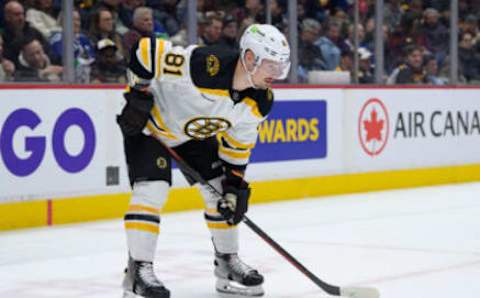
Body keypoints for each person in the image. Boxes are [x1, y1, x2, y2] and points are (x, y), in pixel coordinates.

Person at [117, 23, 290, 298]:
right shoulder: (205, 66)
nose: (277, 74)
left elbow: (239, 144)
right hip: (151, 127)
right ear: (249, 58)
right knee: (152, 191)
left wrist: (234, 186)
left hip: (190, 137)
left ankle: (227, 264)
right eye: (271, 65)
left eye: (281, 67)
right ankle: (138, 272)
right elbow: (146, 50)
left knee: (221, 193)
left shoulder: (259, 101)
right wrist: (139, 93)